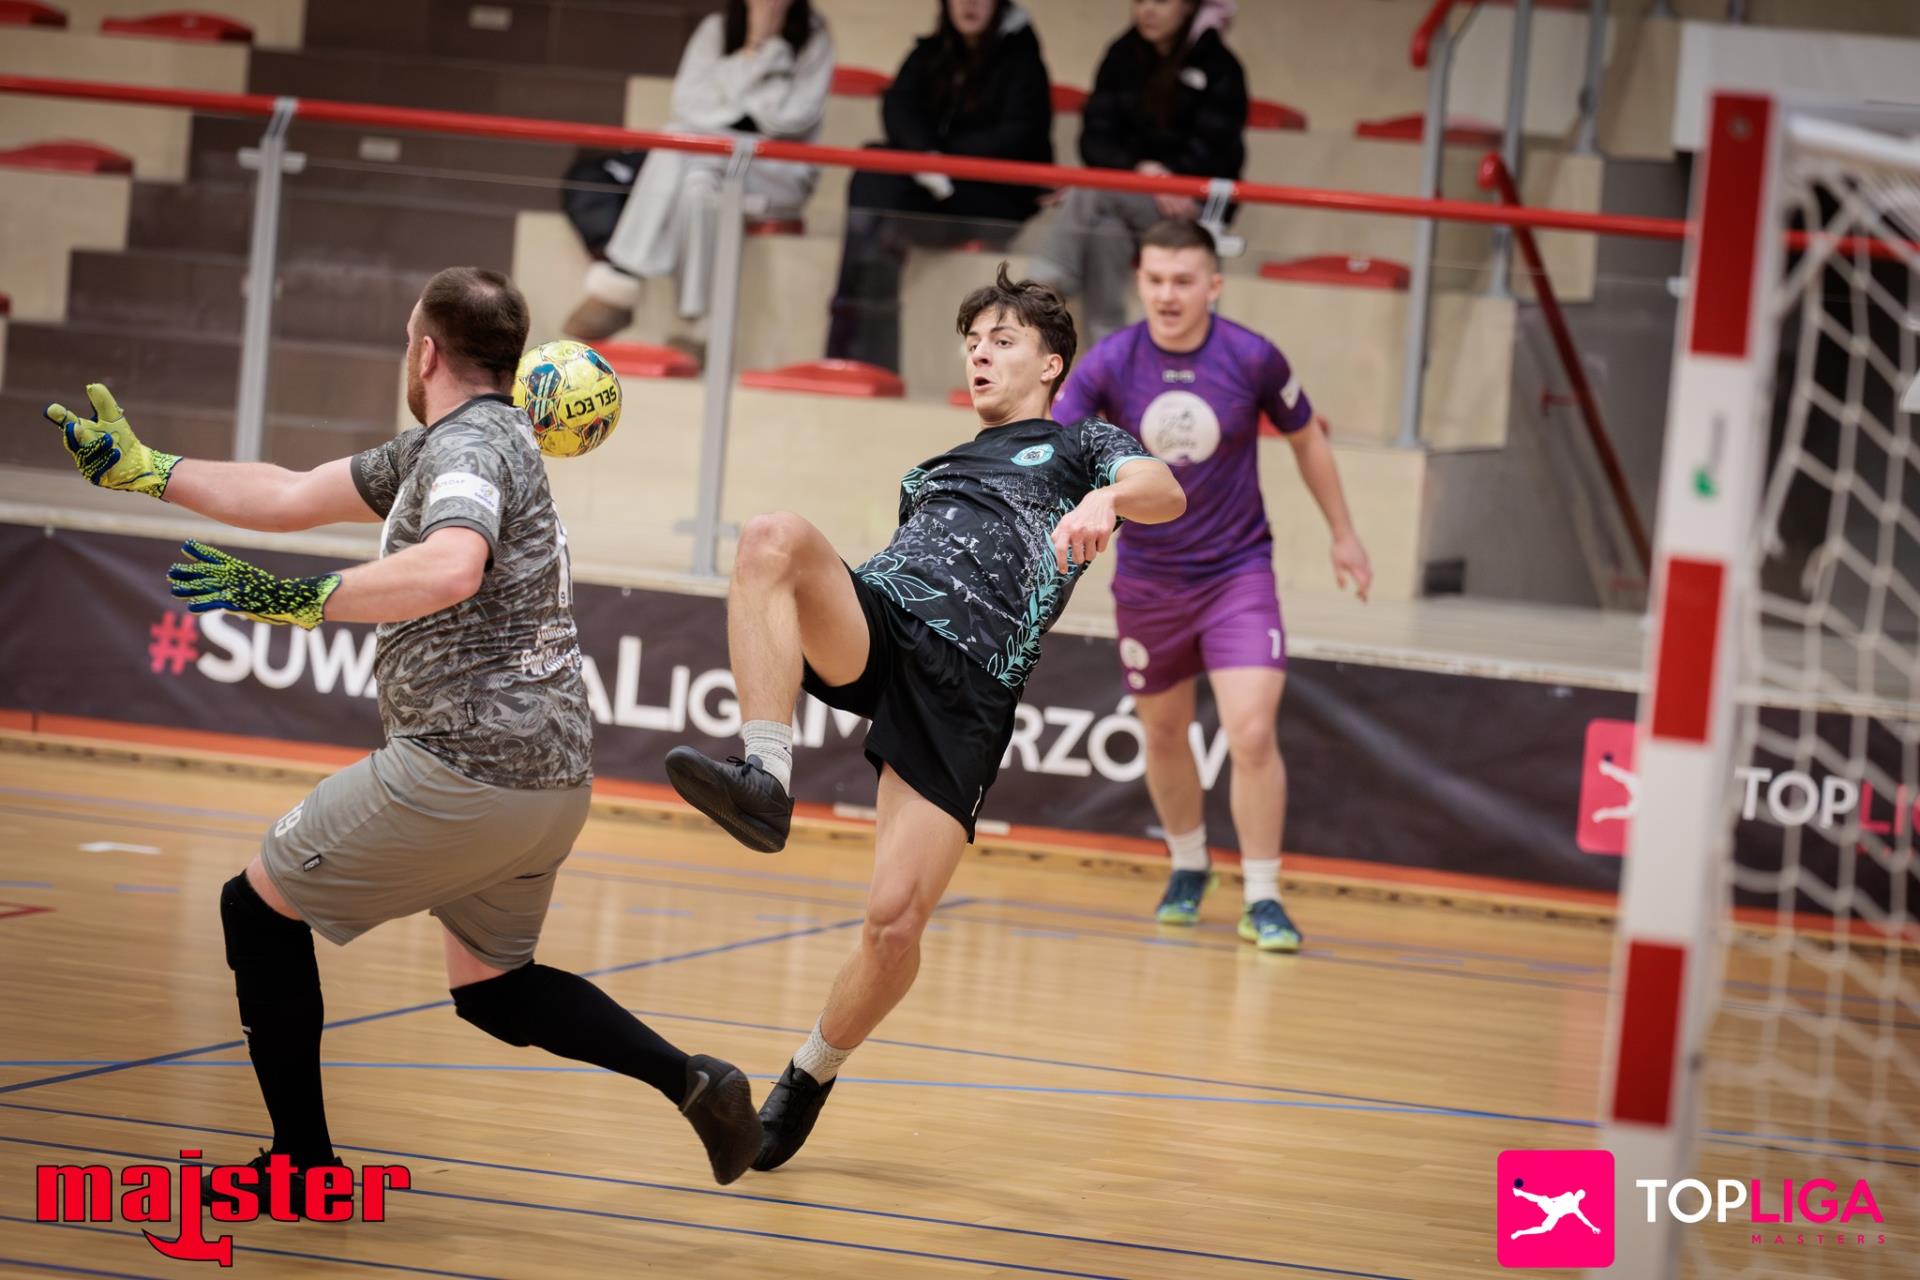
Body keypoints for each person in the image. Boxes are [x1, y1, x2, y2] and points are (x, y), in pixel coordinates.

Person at [40, 267, 763, 1197]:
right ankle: (695, 1081)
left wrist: (297, 598)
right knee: (493, 990)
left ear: (424, 352)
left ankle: (300, 1168)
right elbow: (293, 493)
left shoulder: (467, 453)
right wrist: (150, 471)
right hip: (551, 783)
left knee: (254, 910)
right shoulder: (466, 441)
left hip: (466, 764)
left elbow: (453, 564)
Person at [663, 265, 1185, 1170]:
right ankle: (765, 776)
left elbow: (1164, 489)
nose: (980, 353)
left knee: (894, 924)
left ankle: (808, 1076)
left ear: (1051, 365)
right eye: (972, 341)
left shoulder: (1082, 446)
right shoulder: (934, 470)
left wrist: (1106, 499)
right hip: (886, 622)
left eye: (1003, 341)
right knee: (771, 536)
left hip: (969, 687)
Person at [1050, 220, 1372, 952]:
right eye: (1155, 280)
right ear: (1140, 282)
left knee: (1251, 732)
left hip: (1237, 574)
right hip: (1148, 584)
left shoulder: (1252, 356)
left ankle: (1263, 894)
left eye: (1183, 281)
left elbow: (1306, 437)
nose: (1168, 295)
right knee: (1164, 733)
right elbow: (1053, 443)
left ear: (1213, 286)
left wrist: (1343, 533)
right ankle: (1189, 865)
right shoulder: (1111, 361)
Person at [563, 0, 833, 360]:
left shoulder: (814, 36)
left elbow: (790, 120)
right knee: (696, 183)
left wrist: (762, 49)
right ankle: (696, 328)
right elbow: (689, 105)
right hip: (707, 161)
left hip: (774, 171)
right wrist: (753, 60)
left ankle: (621, 281)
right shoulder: (715, 29)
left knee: (682, 143)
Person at [823, 0, 1053, 374]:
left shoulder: (1023, 62)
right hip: (933, 187)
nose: (969, 4)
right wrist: (927, 155)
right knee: (873, 168)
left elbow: (1017, 137)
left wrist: (943, 157)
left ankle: (853, 346)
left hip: (990, 196)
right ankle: (860, 354)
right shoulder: (930, 52)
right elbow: (898, 107)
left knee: (879, 219)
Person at [1029, 0, 1247, 346]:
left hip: (1188, 208)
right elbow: (1095, 138)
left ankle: (1042, 289)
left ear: (1188, 7)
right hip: (1131, 192)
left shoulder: (1220, 67)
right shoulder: (1121, 55)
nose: (1148, 10)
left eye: (1161, 1)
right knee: (1105, 232)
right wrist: (1143, 173)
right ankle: (1108, 351)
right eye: (1140, 0)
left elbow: (1217, 149)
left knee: (1093, 187)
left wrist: (1171, 178)